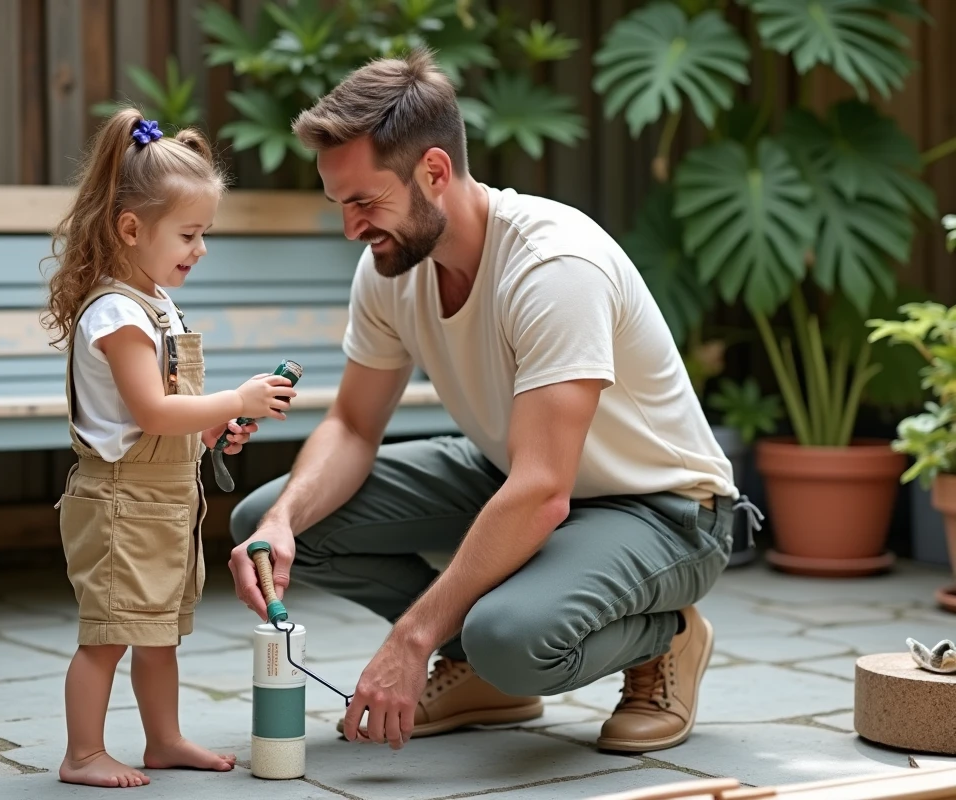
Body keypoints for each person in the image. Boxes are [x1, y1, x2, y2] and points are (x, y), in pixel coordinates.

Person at [228, 48, 753, 756]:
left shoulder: (553, 267)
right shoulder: (390, 265)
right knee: (266, 522)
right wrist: (285, 521)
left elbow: (542, 491)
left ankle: (666, 638)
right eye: (340, 205)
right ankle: (479, 673)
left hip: (662, 510)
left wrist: (411, 639)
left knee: (510, 638)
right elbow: (352, 425)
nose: (351, 228)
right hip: (515, 473)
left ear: (434, 171)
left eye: (365, 202)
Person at [43, 108, 297, 788]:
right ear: (131, 229)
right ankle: (82, 754)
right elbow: (152, 410)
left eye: (204, 233)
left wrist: (211, 430)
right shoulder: (117, 313)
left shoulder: (152, 302)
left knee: (159, 631)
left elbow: (165, 417)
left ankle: (164, 740)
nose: (200, 248)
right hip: (121, 504)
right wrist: (235, 400)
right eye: (189, 234)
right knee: (109, 634)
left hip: (162, 500)